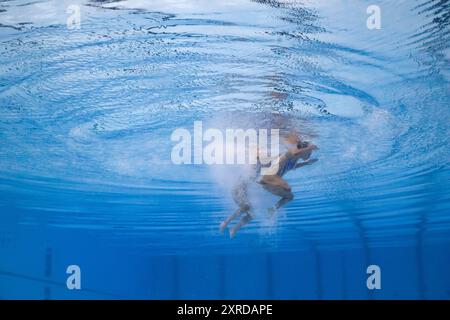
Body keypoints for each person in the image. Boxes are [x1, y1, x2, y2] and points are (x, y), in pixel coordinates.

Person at [220, 133, 318, 237]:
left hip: (252, 185)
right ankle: (225, 222)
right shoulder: (257, 165)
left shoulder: (288, 162)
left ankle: (234, 229)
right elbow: (291, 153)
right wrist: (309, 147)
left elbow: (292, 165)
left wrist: (306, 163)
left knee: (252, 214)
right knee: (246, 206)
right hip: (239, 188)